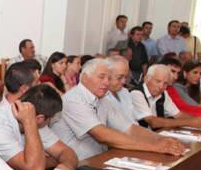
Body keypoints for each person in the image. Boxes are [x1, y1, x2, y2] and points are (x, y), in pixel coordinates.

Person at [50, 59, 185, 160]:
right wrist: (154, 147)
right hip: (76, 164)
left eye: (109, 78)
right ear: (85, 77)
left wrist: (162, 139)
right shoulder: (74, 99)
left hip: (99, 159)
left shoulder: (103, 99)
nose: (106, 82)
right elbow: (102, 134)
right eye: (101, 77)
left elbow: (130, 128)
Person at [0, 66, 77, 170]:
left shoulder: (34, 114)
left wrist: (66, 165)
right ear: (40, 119)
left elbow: (65, 151)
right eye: (50, 119)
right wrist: (30, 123)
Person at [129, 64, 201, 130]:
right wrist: (190, 122)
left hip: (157, 134)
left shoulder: (163, 93)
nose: (161, 86)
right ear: (146, 79)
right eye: (158, 81)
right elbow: (153, 122)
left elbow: (178, 115)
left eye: (165, 83)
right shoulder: (136, 93)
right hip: (140, 137)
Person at [105, 56, 138, 122]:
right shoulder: (102, 97)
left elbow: (133, 120)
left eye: (126, 77)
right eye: (119, 77)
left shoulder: (124, 92)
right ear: (107, 75)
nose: (124, 81)